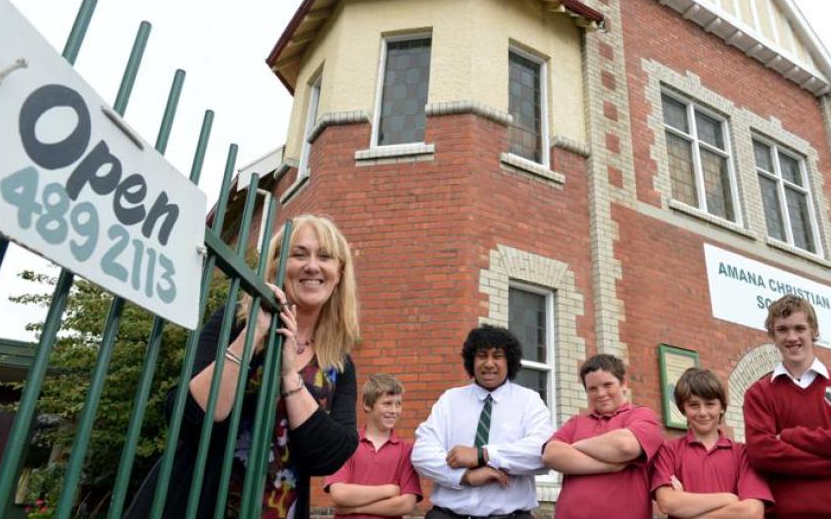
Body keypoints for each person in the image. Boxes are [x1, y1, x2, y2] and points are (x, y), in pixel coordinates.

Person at [125, 214, 360, 519]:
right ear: (276, 265)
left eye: (325, 257)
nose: (312, 266)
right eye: (299, 254)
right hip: (196, 502)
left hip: (279, 508)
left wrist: (289, 376)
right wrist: (251, 338)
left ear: (339, 272)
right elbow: (188, 418)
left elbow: (331, 455)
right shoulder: (234, 323)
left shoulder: (338, 363)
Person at [743, 294, 831, 518]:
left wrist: (791, 436)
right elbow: (763, 454)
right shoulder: (759, 394)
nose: (792, 337)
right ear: (772, 335)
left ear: (814, 331)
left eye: (800, 328)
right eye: (782, 330)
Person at [412, 325, 554, 519]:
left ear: (509, 361)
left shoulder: (529, 401)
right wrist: (465, 476)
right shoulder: (450, 400)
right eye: (481, 355)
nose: (488, 363)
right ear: (472, 359)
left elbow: (542, 453)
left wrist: (484, 454)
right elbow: (422, 454)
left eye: (497, 356)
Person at [542, 354, 663, 519]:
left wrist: (573, 447)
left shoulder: (642, 416)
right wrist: (610, 465)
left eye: (608, 385)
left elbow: (625, 446)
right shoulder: (576, 422)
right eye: (592, 388)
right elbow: (550, 454)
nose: (601, 393)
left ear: (624, 384)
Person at [651, 367, 771, 519]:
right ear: (683, 409)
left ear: (722, 407)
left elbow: (752, 513)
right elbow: (667, 503)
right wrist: (728, 498)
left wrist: (686, 509)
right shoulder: (668, 451)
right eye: (694, 405)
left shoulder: (743, 454)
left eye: (710, 404)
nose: (702, 412)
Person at [325, 373, 423, 518]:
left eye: (398, 404)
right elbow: (340, 494)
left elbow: (407, 504)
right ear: (366, 404)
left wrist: (355, 508)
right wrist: (389, 490)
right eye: (387, 403)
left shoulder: (406, 451)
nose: (394, 410)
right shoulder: (346, 443)